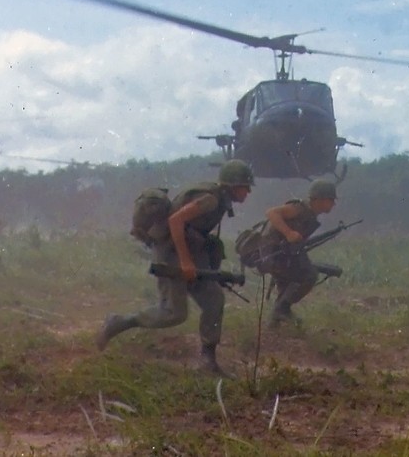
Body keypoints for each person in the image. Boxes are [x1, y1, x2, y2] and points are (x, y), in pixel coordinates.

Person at [94, 159, 254, 377]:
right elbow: (176, 221)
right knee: (173, 313)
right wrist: (186, 261)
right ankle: (118, 322)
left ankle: (208, 360)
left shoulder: (218, 198)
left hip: (190, 252)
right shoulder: (210, 200)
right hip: (172, 253)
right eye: (246, 186)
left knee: (214, 300)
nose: (248, 192)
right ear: (233, 185)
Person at [259, 179, 338, 326]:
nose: (333, 204)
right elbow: (271, 212)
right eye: (331, 200)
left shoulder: (310, 214)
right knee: (309, 275)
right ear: (320, 199)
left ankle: (275, 320)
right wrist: (288, 233)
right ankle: (280, 311)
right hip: (273, 254)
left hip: (282, 254)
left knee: (288, 284)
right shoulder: (299, 209)